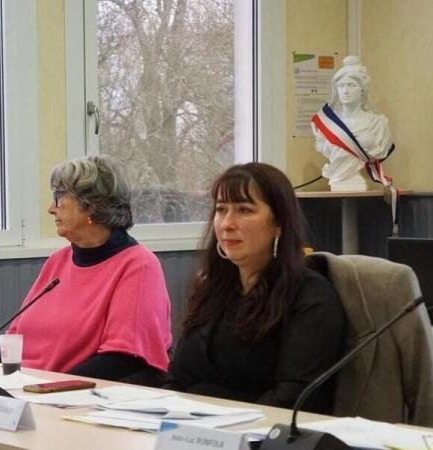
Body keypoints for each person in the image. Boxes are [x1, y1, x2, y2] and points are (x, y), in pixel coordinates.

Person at [164, 163, 345, 413]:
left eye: (244, 210)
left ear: (279, 223)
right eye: (221, 210)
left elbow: (293, 400)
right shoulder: (213, 287)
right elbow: (176, 380)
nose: (227, 223)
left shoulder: (310, 296)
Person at [8, 155, 172, 384]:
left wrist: (47, 389)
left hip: (75, 399)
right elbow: (14, 338)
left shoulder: (138, 265)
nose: (50, 209)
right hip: (26, 391)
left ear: (91, 206)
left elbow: (124, 357)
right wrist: (0, 386)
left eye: (58, 196)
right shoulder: (58, 261)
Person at [311, 55, 395, 191]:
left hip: (357, 182)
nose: (345, 91)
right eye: (341, 86)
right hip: (337, 181)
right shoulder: (325, 125)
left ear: (362, 90)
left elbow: (381, 150)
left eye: (351, 85)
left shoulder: (378, 123)